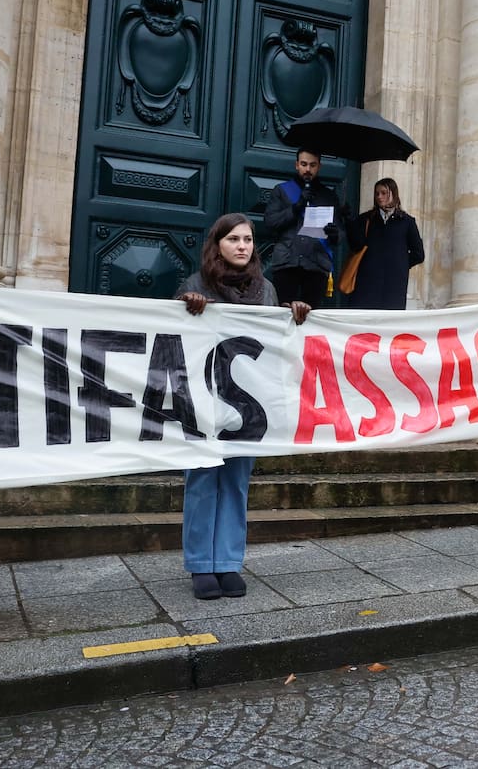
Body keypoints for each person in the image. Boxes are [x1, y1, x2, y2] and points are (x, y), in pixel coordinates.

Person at [175, 213, 310, 600]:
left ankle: (229, 563)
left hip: (248, 406)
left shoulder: (265, 289)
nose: (242, 246)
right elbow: (172, 340)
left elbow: (274, 340)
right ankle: (202, 564)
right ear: (217, 243)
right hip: (202, 400)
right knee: (202, 481)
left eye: (248, 239)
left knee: (235, 483)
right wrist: (187, 307)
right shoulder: (195, 285)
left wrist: (294, 313)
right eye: (233, 239)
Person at [263, 148, 342, 309]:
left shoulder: (329, 196)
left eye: (312, 165)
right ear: (296, 165)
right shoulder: (282, 191)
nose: (308, 169)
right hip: (286, 262)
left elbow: (340, 234)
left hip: (316, 264)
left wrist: (335, 234)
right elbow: (271, 222)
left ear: (319, 166)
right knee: (282, 314)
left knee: (311, 317)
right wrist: (296, 206)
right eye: (304, 164)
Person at [344, 177, 424, 310]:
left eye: (384, 193)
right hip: (367, 283)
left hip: (394, 285)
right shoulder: (366, 219)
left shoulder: (406, 221)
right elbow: (355, 246)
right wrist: (348, 223)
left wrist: (400, 264)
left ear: (393, 193)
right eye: (377, 193)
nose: (379, 197)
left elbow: (418, 254)